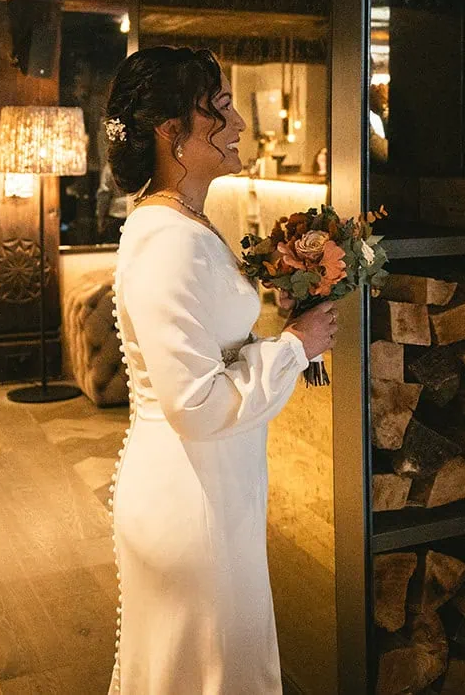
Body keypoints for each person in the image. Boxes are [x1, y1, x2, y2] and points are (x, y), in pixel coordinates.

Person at [104, 47, 336, 694]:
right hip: (191, 503)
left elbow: (204, 346)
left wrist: (279, 318)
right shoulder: (169, 242)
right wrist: (294, 345)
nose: (238, 124)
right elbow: (195, 404)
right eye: (222, 107)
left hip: (208, 489)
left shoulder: (184, 222)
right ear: (173, 133)